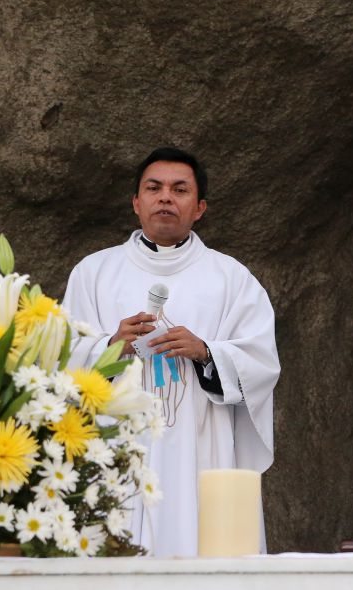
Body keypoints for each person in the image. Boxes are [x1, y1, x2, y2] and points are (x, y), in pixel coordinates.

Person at [63, 147, 279, 557]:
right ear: (136, 203)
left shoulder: (231, 277)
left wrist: (206, 353)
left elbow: (262, 362)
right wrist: (109, 347)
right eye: (154, 188)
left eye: (180, 190)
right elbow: (58, 360)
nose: (166, 197)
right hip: (116, 446)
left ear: (199, 208)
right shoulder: (93, 273)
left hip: (200, 447)